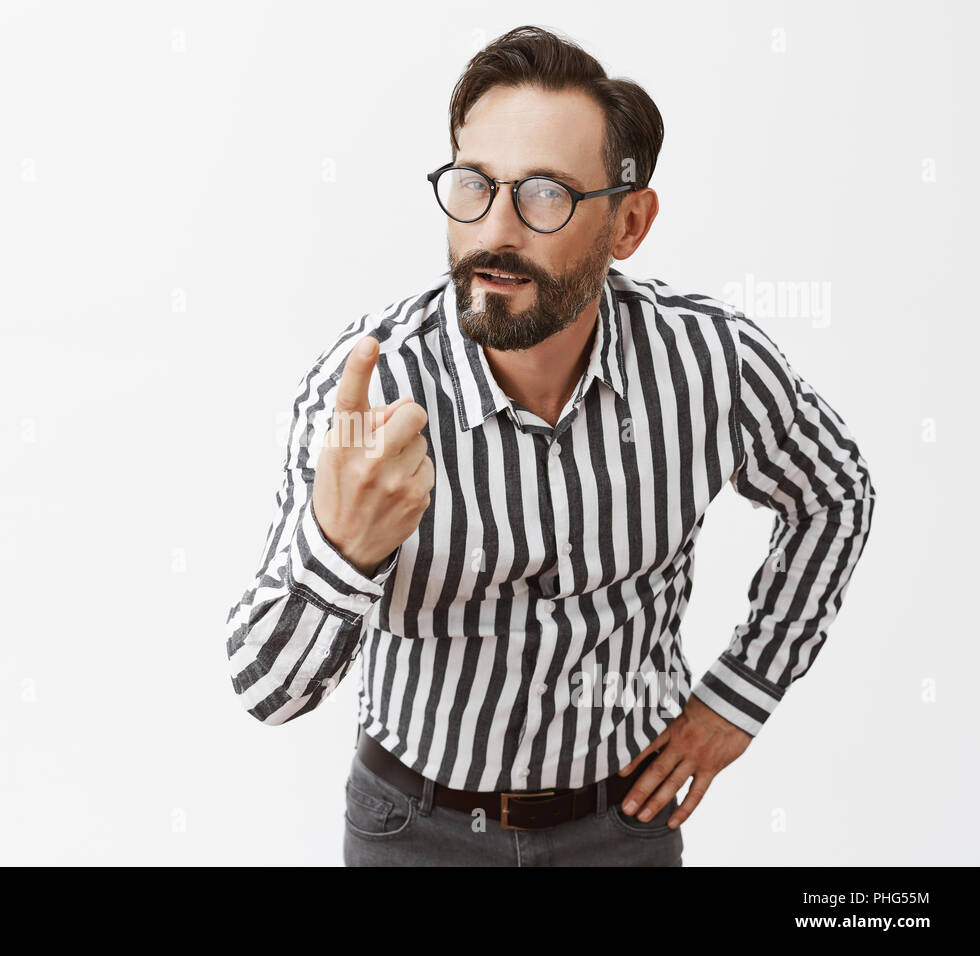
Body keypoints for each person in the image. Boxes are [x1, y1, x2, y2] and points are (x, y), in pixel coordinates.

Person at [224, 25, 875, 866]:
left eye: (545, 195)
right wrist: (342, 552)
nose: (495, 231)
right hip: (412, 831)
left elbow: (836, 493)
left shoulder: (712, 365)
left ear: (629, 223)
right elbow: (266, 692)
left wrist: (737, 699)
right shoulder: (369, 392)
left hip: (624, 828)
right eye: (473, 185)